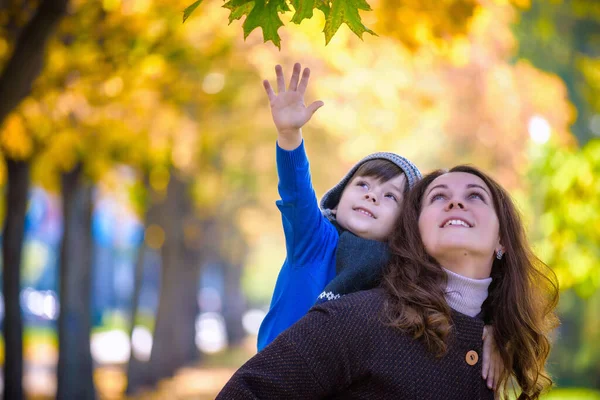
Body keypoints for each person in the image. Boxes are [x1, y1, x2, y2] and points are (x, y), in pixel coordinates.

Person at [217, 165, 559, 400]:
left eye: (475, 196)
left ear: (502, 240)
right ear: (415, 233)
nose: (455, 201)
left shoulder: (496, 342)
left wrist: (496, 330)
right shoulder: (355, 319)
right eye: (438, 197)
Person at [257, 63, 503, 389]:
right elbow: (295, 192)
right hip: (278, 381)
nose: (372, 196)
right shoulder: (315, 240)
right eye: (363, 185)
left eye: (390, 196)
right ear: (341, 195)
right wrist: (289, 136)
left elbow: (454, 298)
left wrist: (493, 332)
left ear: (403, 226)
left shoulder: (398, 274)